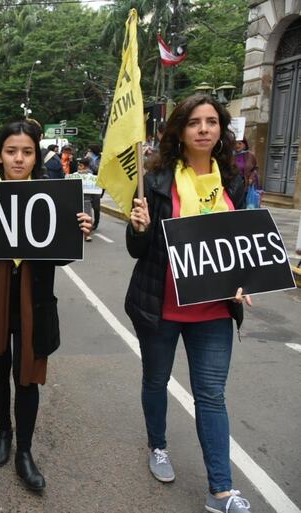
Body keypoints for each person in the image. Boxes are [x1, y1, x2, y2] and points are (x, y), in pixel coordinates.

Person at [0, 120, 92, 494]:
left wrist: (78, 231)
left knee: (27, 377)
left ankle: (24, 451)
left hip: (35, 306)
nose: (19, 159)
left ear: (35, 157)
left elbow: (61, 256)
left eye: (27, 152)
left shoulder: (51, 197)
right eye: (11, 151)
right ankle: (3, 431)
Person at [125, 94, 253, 513]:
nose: (203, 129)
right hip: (160, 307)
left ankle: (221, 491)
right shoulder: (156, 180)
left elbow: (241, 243)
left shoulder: (232, 181)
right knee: (155, 380)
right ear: (180, 130)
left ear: (221, 130)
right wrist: (139, 228)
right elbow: (136, 248)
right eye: (194, 122)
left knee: (212, 395)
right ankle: (158, 446)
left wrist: (246, 279)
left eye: (211, 122)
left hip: (214, 311)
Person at [72, 157, 94, 241]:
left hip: (86, 200)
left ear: (86, 167)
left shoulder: (91, 177)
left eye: (81, 165)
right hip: (76, 199)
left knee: (88, 217)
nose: (79, 167)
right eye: (78, 165)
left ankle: (87, 235)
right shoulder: (74, 175)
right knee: (77, 217)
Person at [86, 144, 102, 231]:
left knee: (96, 206)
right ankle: (87, 222)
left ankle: (96, 222)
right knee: (86, 204)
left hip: (96, 185)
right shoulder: (87, 157)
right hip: (87, 185)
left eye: (90, 151)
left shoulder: (101, 159)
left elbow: (97, 169)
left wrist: (90, 160)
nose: (88, 152)